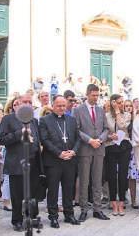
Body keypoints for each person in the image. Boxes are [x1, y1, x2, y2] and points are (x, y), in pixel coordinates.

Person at [0, 93, 42, 232]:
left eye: (30, 102)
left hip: (33, 160)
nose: (28, 104)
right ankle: (17, 220)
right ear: (18, 103)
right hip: (17, 162)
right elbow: (3, 140)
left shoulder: (34, 120)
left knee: (33, 191)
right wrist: (20, 133)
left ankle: (32, 217)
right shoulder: (8, 119)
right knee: (17, 193)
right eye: (25, 101)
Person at [39, 96, 80, 227]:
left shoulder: (71, 120)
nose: (62, 108)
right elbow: (45, 140)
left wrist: (73, 151)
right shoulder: (45, 120)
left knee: (69, 188)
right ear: (53, 105)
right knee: (53, 189)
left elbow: (78, 138)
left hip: (70, 159)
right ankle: (53, 216)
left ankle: (69, 214)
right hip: (53, 160)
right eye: (59, 105)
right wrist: (59, 153)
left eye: (63, 105)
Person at [74, 84, 109, 221]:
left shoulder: (101, 110)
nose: (96, 98)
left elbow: (106, 128)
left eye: (97, 95)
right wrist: (89, 140)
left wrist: (100, 139)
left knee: (97, 179)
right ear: (87, 94)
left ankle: (97, 209)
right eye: (93, 95)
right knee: (84, 180)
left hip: (99, 149)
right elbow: (76, 129)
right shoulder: (78, 110)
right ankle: (83, 209)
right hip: (85, 149)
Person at [104, 94, 132, 216]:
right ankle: (113, 202)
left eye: (122, 102)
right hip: (110, 146)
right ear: (112, 102)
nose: (121, 104)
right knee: (111, 175)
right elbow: (103, 131)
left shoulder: (127, 114)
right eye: (118, 102)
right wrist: (110, 136)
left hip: (124, 146)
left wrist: (117, 112)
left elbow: (122, 126)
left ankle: (121, 202)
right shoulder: (106, 116)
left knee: (122, 174)